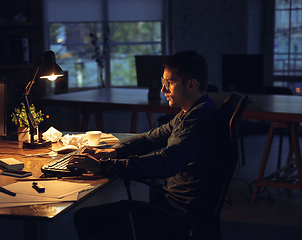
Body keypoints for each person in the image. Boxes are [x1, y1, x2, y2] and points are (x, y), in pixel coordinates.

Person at [69, 50, 223, 240]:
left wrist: (105, 166)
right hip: (168, 206)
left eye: (169, 83)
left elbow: (167, 162)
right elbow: (150, 138)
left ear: (191, 84)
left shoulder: (199, 120)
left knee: (89, 222)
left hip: (180, 218)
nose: (163, 90)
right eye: (163, 82)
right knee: (84, 218)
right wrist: (114, 152)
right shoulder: (189, 112)